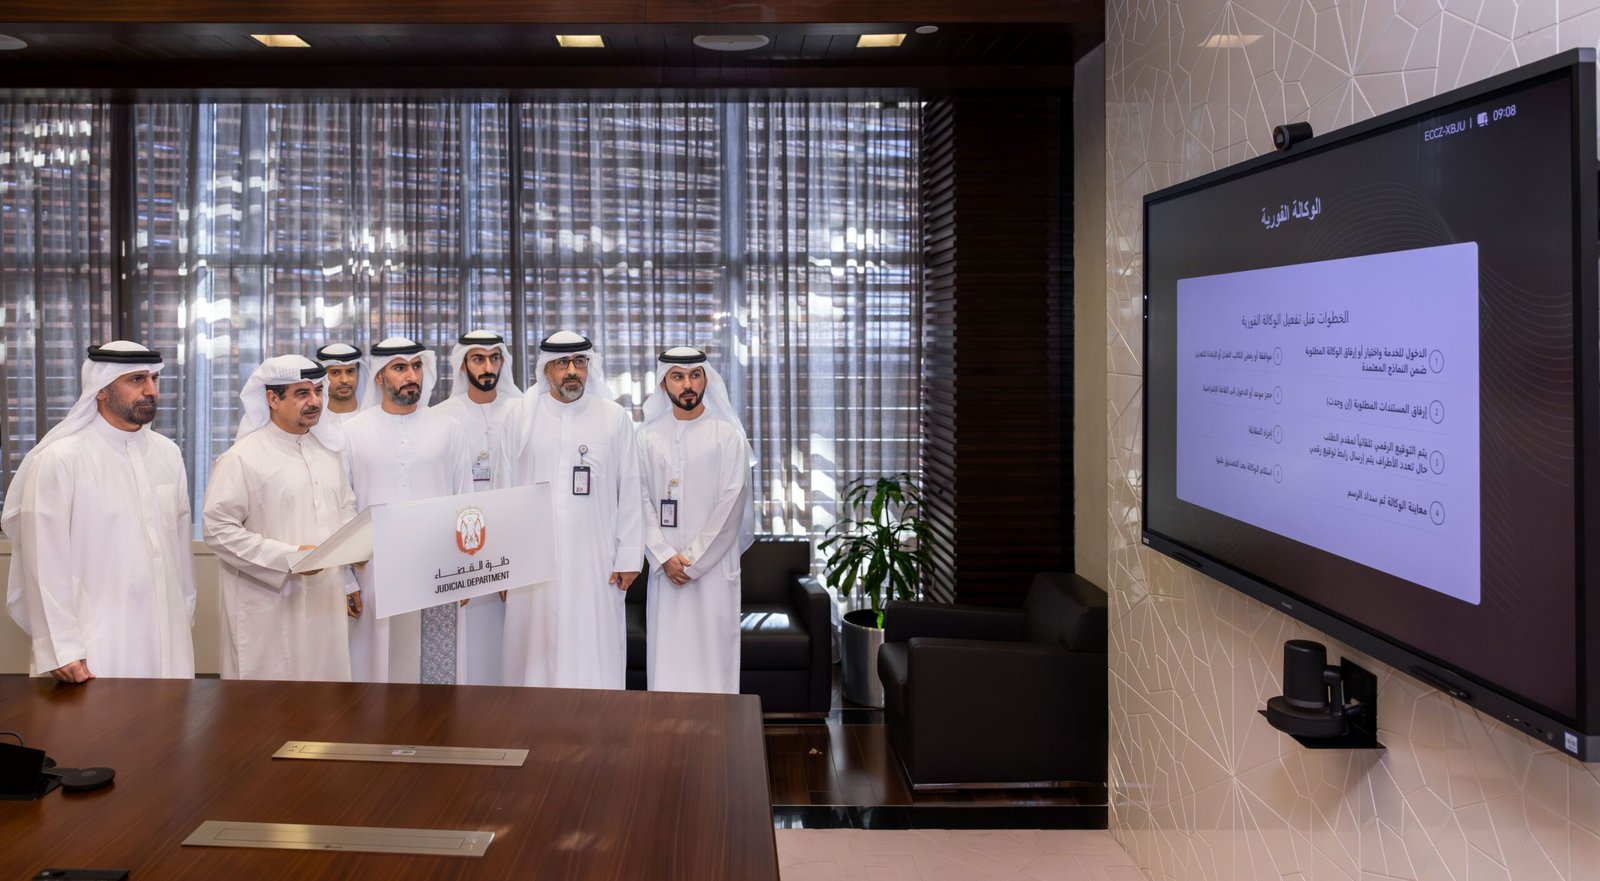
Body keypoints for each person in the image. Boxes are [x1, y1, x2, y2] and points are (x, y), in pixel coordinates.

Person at [3, 341, 196, 681]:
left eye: (153, 379)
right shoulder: (61, 459)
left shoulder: (167, 454)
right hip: (95, 643)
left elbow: (179, 550)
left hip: (167, 636)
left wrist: (183, 616)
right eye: (136, 380)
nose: (151, 391)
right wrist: (61, 647)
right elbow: (43, 561)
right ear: (102, 389)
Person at [497, 330, 645, 689]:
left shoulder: (613, 417)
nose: (572, 371)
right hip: (532, 559)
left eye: (580, 361)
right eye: (562, 363)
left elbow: (631, 487)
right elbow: (503, 490)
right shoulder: (520, 417)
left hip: (595, 558)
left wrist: (629, 555)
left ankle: (596, 717)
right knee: (534, 648)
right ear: (546, 368)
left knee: (592, 642)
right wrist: (503, 565)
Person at [202, 355, 359, 682]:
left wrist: (357, 548)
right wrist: (290, 557)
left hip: (325, 602)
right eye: (302, 393)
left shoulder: (328, 451)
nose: (315, 401)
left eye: (318, 391)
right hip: (270, 606)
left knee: (325, 697)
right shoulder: (243, 457)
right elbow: (217, 529)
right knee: (270, 701)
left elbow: (346, 507)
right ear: (272, 399)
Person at [340, 337, 472, 684]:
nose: (411, 376)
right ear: (379, 377)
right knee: (373, 667)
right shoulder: (351, 433)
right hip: (372, 571)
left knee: (436, 671)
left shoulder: (448, 428)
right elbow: (342, 508)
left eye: (416, 367)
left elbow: (465, 501)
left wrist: (465, 573)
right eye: (400, 368)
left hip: (438, 569)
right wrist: (346, 580)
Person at [637, 347, 755, 694]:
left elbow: (731, 503)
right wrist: (664, 556)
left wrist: (692, 561)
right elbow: (637, 500)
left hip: (713, 572)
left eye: (694, 375)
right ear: (664, 384)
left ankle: (717, 726)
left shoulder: (728, 436)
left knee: (712, 661)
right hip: (665, 571)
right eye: (678, 376)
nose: (687, 384)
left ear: (706, 379)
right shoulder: (645, 438)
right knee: (668, 659)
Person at [430, 330, 523, 685]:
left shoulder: (522, 411)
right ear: (462, 365)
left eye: (494, 358)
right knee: (468, 644)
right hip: (462, 547)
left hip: (511, 542)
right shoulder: (441, 417)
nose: (487, 367)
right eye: (478, 359)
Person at [315, 342, 365, 427]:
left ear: (358, 374)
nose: (344, 380)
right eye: (335, 372)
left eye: (350, 371)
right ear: (323, 377)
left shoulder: (372, 418)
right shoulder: (313, 421)